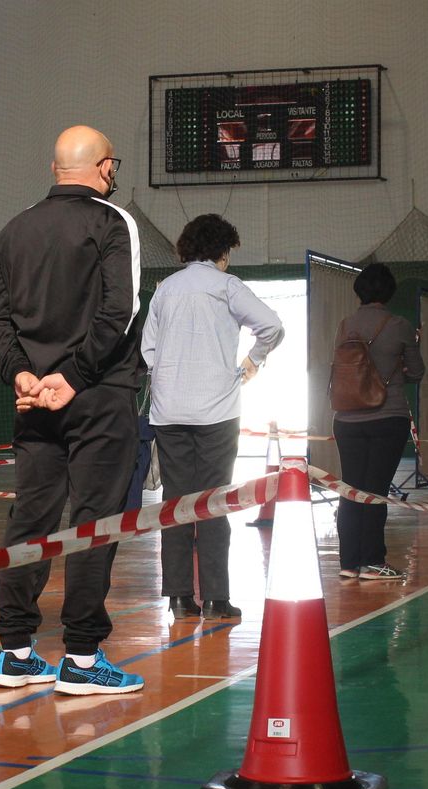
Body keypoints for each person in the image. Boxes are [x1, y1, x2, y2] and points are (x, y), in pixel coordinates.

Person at [0, 125, 145, 696]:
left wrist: (21, 375)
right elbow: (119, 312)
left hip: (34, 401)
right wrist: (72, 379)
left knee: (31, 518)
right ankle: (80, 657)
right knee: (94, 522)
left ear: (55, 170)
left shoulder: (13, 229)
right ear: (104, 168)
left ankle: (15, 652)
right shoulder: (113, 222)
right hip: (97, 396)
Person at [142, 214, 284, 619]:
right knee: (214, 502)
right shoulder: (226, 286)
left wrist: (169, 378)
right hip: (217, 412)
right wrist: (250, 363)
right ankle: (218, 599)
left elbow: (148, 351)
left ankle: (179, 598)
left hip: (168, 413)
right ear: (222, 251)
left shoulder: (165, 289)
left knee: (175, 504)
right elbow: (271, 326)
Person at [332, 263, 423, 580]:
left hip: (346, 419)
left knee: (351, 489)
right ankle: (372, 561)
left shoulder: (346, 326)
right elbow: (418, 371)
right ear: (389, 291)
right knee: (375, 491)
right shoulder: (399, 325)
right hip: (387, 416)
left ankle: (348, 563)